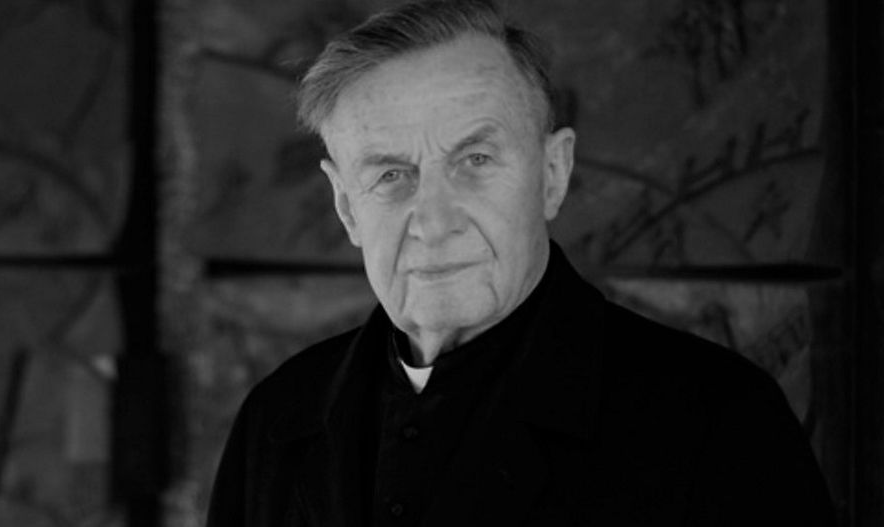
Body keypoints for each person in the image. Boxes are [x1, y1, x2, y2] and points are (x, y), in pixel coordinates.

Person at [206, 1, 836, 525]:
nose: (434, 222)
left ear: (553, 174)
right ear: (346, 207)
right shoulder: (276, 418)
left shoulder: (715, 421)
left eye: (475, 161)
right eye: (391, 175)